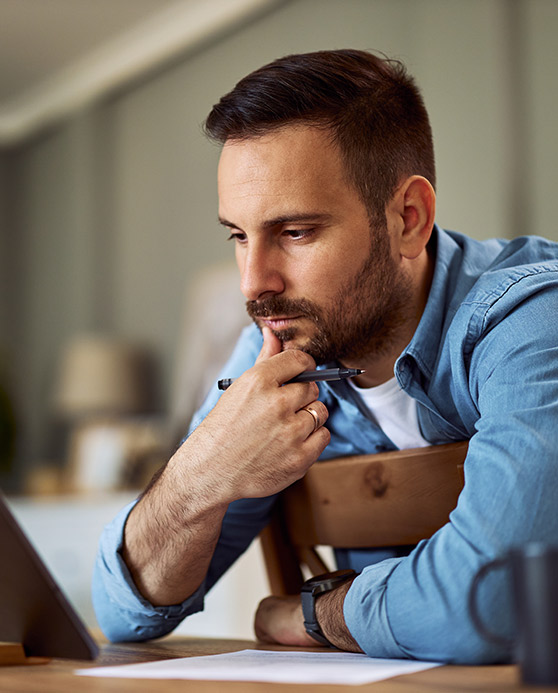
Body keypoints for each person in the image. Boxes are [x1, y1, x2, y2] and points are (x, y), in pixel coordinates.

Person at [92, 49, 558, 663]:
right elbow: (122, 611)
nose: (253, 283)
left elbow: (495, 603)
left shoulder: (533, 320)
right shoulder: (280, 348)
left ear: (408, 220)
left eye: (295, 232)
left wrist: (318, 612)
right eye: (238, 235)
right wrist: (199, 474)